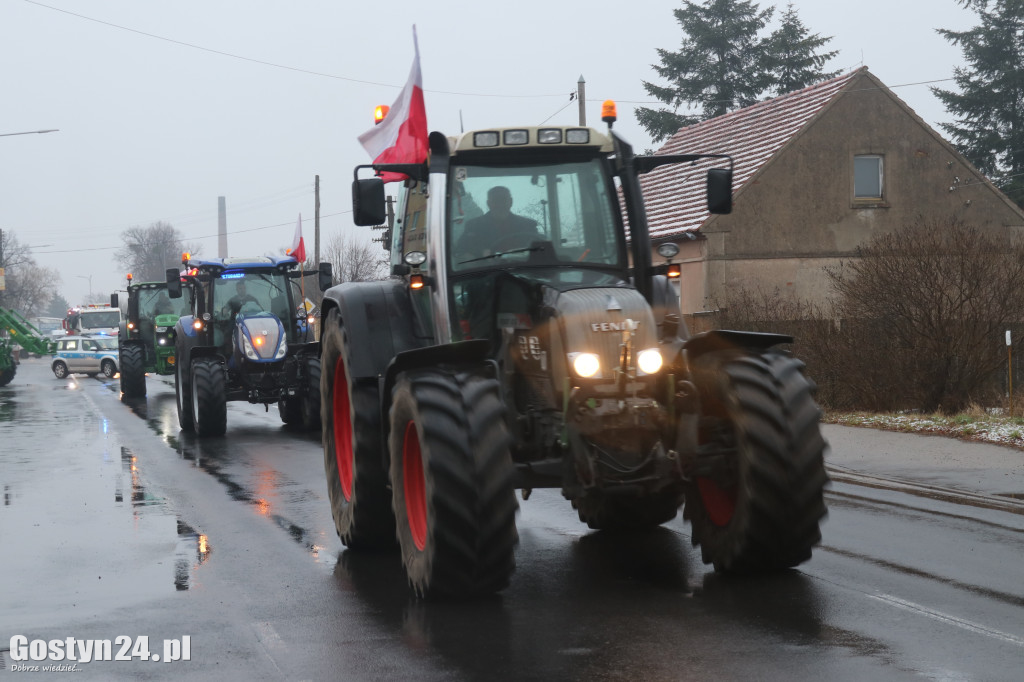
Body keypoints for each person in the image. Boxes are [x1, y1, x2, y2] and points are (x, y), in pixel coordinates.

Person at [454, 185, 543, 260]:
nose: (500, 204)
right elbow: (461, 251)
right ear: (488, 203)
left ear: (511, 202)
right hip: (485, 273)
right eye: (496, 200)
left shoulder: (528, 225)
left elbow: (539, 251)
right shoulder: (473, 226)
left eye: (503, 199)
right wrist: (481, 252)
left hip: (522, 271)